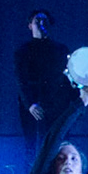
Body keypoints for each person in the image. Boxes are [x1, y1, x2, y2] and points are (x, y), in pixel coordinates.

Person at [14, 9, 70, 166]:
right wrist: (30, 104)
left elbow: (67, 77)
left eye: (45, 21)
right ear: (30, 25)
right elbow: (21, 79)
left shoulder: (61, 49)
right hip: (33, 104)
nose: (41, 24)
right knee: (32, 144)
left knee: (56, 142)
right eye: (37, 21)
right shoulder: (23, 51)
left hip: (56, 103)